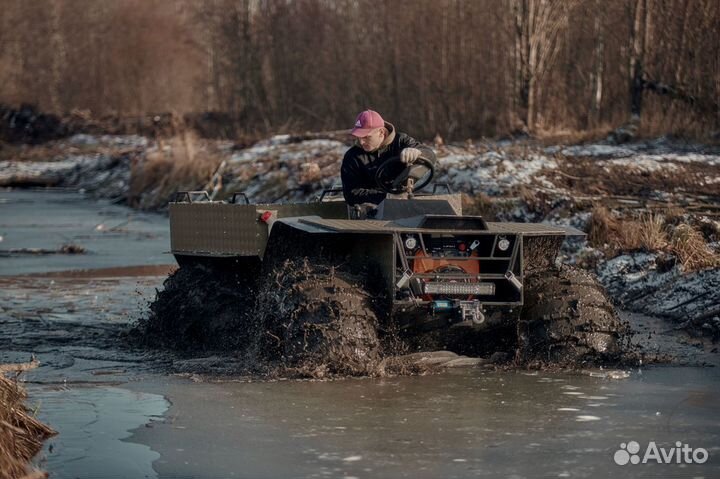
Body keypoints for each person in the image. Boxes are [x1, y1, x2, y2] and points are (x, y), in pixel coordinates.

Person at [341, 110, 436, 206]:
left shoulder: (400, 141)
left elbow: (430, 155)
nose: (361, 142)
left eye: (366, 137)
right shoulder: (352, 156)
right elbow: (351, 194)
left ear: (381, 132)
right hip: (369, 211)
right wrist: (387, 197)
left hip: (404, 202)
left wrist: (418, 152)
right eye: (359, 137)